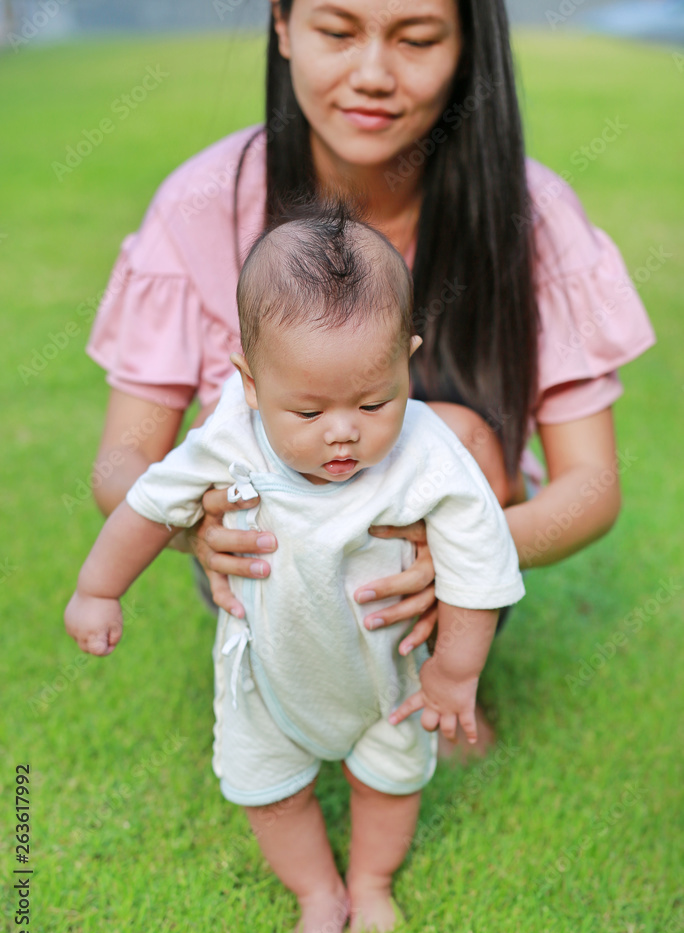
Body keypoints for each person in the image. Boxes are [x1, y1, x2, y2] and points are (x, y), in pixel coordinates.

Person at [85, 0, 655, 750]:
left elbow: (593, 486)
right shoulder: (202, 202)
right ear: (283, 27)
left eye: (416, 39)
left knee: (461, 437)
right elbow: (123, 460)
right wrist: (196, 528)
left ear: (466, 46)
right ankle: (291, 689)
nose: (374, 75)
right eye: (338, 32)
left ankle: (436, 682)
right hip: (269, 552)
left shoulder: (532, 215)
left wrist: (465, 551)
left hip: (437, 565)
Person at [65, 206, 525, 933]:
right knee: (270, 793)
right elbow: (148, 505)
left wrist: (454, 671)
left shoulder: (428, 452)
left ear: (408, 359)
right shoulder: (230, 437)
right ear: (250, 382)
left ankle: (371, 881)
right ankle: (317, 890)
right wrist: (99, 588)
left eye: (374, 402)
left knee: (391, 783)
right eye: (307, 410)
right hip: (266, 673)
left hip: (387, 672)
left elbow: (479, 564)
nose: (343, 431)